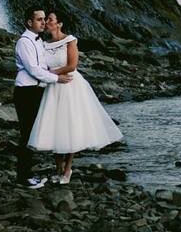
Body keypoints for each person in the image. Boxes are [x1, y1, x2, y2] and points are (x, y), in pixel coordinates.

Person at [28, 9, 124, 184]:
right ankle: (58, 169)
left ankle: (67, 170)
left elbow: (72, 65)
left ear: (59, 23)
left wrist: (51, 73)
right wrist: (50, 76)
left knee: (71, 124)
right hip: (54, 86)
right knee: (55, 125)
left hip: (70, 85)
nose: (46, 22)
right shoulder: (44, 44)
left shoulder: (70, 40)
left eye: (50, 19)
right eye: (46, 19)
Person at [13, 7, 71, 189]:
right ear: (29, 22)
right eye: (39, 19)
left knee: (33, 133)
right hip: (26, 91)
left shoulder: (39, 41)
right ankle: (23, 177)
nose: (43, 22)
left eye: (44, 19)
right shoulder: (24, 42)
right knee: (27, 134)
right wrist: (57, 79)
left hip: (37, 90)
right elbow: (34, 70)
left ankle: (28, 173)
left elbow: (44, 66)